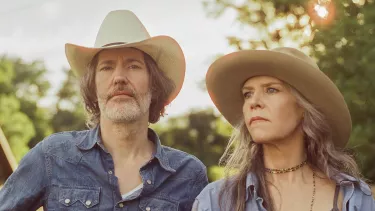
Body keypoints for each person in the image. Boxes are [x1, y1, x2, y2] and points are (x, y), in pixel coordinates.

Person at [0, 10, 208, 211]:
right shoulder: (52, 156)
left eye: (133, 66)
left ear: (154, 85)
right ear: (93, 86)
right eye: (106, 67)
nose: (119, 77)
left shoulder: (189, 174)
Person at [193, 47, 375, 211]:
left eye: (271, 90)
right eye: (247, 94)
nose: (254, 102)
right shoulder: (215, 201)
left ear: (304, 107)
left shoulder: (355, 198)